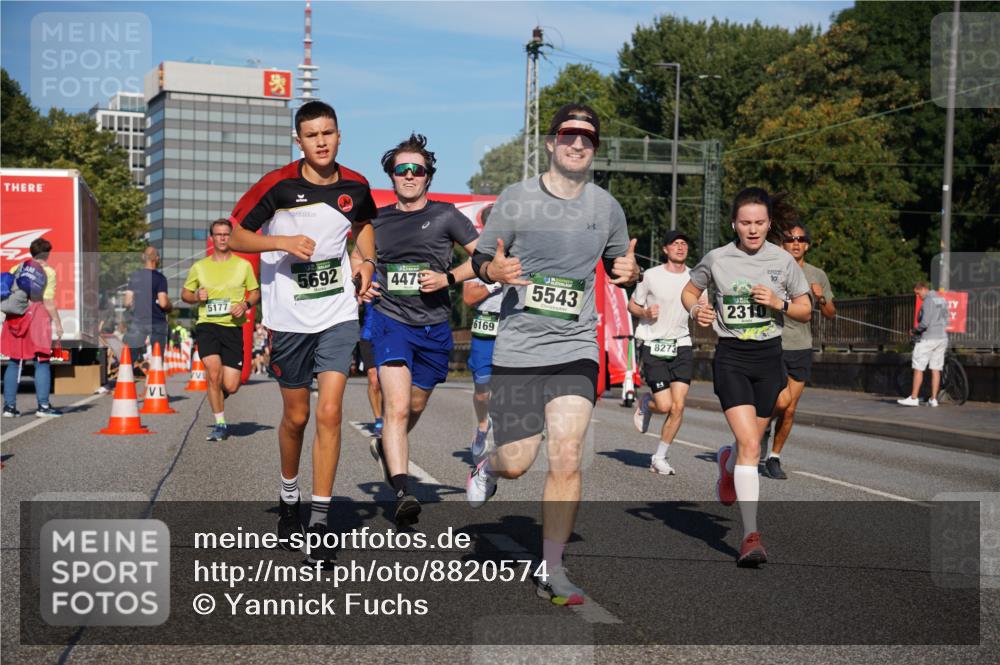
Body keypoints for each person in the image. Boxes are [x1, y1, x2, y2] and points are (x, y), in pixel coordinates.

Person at [466, 104, 640, 605]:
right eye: (568, 134)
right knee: (518, 462)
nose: (577, 143)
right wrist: (490, 271)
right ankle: (487, 468)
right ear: (551, 141)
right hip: (519, 348)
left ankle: (553, 569)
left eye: (588, 137)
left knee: (566, 454)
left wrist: (630, 273)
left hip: (575, 348)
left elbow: (618, 264)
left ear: (595, 148)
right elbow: (482, 258)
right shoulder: (517, 199)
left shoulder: (606, 207)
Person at [227, 100, 377, 565]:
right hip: (288, 315)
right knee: (296, 417)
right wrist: (281, 242)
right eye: (312, 135)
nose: (321, 142)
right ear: (299, 140)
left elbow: (364, 224)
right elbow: (235, 235)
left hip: (336, 310)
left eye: (328, 132)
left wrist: (365, 260)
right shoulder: (277, 184)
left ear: (338, 134)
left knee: (330, 411)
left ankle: (319, 521)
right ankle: (289, 494)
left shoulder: (355, 184)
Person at [681, 187, 811, 567]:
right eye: (745, 223)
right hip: (732, 358)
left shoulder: (783, 261)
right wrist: (697, 311)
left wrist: (778, 303)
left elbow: (805, 309)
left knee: (748, 441)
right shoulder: (717, 258)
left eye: (759, 223)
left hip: (770, 359)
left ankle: (727, 463)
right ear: (734, 224)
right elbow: (691, 292)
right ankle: (750, 536)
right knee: (751, 447)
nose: (752, 230)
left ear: (769, 224)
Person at [366, 133, 479, 525]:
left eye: (418, 170)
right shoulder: (376, 219)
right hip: (390, 318)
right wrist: (362, 281)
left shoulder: (447, 215)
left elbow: (483, 258)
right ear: (391, 175)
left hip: (433, 327)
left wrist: (448, 278)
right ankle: (401, 491)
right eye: (402, 170)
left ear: (428, 177)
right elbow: (357, 259)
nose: (410, 176)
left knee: (415, 406)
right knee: (395, 408)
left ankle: (386, 445)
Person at [760, 223, 835, 479]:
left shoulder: (817, 274)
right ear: (782, 243)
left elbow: (831, 313)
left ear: (807, 244)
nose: (796, 242)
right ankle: (761, 430)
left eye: (801, 239)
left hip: (801, 346)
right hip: (773, 342)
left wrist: (821, 298)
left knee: (790, 408)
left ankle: (774, 457)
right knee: (779, 402)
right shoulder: (771, 268)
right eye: (790, 238)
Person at [629, 230, 704, 475]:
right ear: (665, 249)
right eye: (675, 243)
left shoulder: (696, 278)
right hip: (653, 343)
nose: (680, 247)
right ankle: (647, 404)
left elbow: (702, 304)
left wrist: (705, 312)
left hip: (681, 343)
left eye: (684, 243)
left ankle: (659, 457)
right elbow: (633, 305)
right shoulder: (650, 276)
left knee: (678, 406)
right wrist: (645, 314)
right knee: (664, 405)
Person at [181, 219, 261, 441]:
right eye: (218, 234)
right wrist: (196, 296)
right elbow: (185, 294)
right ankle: (220, 424)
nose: (223, 238)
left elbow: (255, 293)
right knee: (213, 372)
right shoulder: (200, 267)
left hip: (233, 328)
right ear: (212, 238)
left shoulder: (243, 266)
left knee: (232, 385)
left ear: (231, 237)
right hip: (207, 325)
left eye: (226, 234)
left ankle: (217, 392)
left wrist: (245, 304)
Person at [2, 238, 62, 417]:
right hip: (37, 317)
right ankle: (43, 406)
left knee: (14, 361)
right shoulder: (48, 272)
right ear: (47, 254)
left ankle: (9, 407)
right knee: (42, 361)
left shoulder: (17, 268)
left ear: (31, 252)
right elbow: (48, 301)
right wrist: (58, 324)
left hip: (15, 317)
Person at [463, 274, 503, 460]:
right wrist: (498, 282)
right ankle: (482, 425)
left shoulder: (527, 252)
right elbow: (469, 297)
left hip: (516, 327)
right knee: (482, 391)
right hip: (486, 325)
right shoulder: (480, 255)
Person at [898, 281, 949, 407]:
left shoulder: (928, 300)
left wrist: (914, 331)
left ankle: (914, 398)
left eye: (918, 293)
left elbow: (925, 323)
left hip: (929, 338)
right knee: (936, 369)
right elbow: (946, 318)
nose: (918, 296)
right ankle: (933, 399)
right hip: (942, 338)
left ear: (923, 289)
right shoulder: (941, 300)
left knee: (918, 367)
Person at [124, 246, 172, 365]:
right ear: (157, 258)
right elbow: (163, 303)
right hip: (157, 321)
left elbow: (127, 302)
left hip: (138, 321)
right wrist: (170, 306)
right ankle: (155, 382)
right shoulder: (160, 278)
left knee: (131, 356)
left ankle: (127, 379)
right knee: (157, 357)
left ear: (143, 257)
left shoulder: (134, 276)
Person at [357, 278, 383, 437]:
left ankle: (390, 416)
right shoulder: (366, 273)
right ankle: (378, 419)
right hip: (368, 334)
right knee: (373, 379)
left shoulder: (392, 267)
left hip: (389, 334)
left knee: (388, 380)